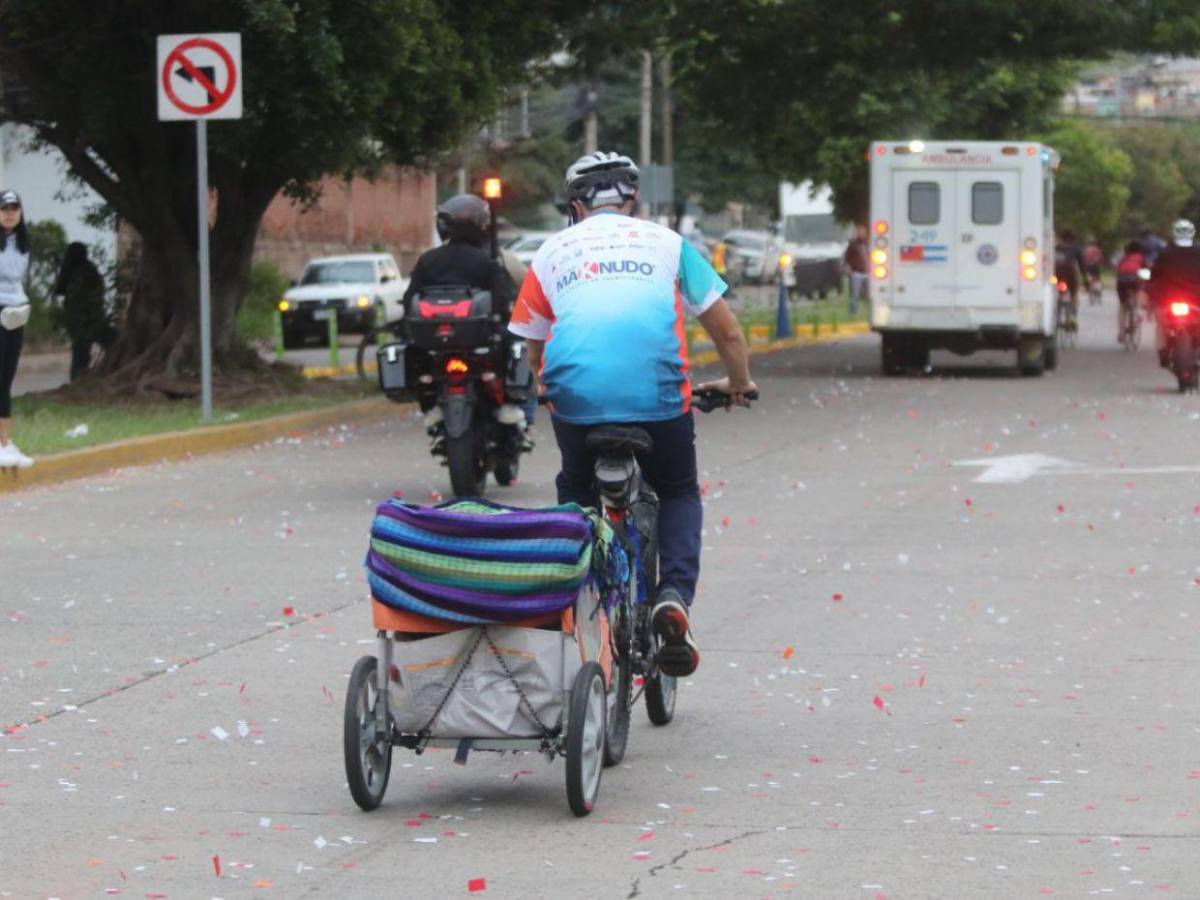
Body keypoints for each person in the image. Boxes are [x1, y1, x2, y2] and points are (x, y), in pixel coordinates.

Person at [508, 150, 757, 678]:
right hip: (659, 398)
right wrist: (738, 383)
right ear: (633, 200)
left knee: (576, 487)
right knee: (678, 490)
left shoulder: (550, 252)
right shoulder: (669, 244)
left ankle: (579, 591)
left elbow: (534, 347)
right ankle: (673, 595)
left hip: (576, 399)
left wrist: (547, 388)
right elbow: (728, 333)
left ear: (575, 206)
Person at [402, 193, 523, 424]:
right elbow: (501, 299)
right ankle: (508, 402)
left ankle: (430, 405)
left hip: (434, 339)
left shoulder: (428, 260)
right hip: (480, 337)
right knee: (514, 342)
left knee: (414, 351)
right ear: (481, 226)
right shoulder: (486, 261)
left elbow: (409, 299)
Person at [0, 189, 33, 469]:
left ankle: (5, 442)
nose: (9, 214)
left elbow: (15, 275)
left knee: (6, 378)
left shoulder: (22, 243)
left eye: (14, 209)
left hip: (16, 312)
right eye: (4, 209)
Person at [52, 242, 110, 381]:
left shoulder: (78, 271)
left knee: (80, 352)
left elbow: (61, 290)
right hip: (86, 319)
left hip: (82, 319)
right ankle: (78, 380)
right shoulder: (86, 269)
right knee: (81, 352)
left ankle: (77, 380)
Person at [1150, 219, 1200, 363]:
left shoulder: (1165, 253)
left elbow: (1154, 275)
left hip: (1169, 298)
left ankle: (1162, 352)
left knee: (1161, 323)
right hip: (1195, 298)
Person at [1115, 240, 1147, 341]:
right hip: (1135, 279)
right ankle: (1137, 313)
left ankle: (1121, 332)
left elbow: (1118, 270)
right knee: (1139, 294)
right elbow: (1145, 273)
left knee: (1122, 305)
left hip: (1122, 280)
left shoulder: (1124, 257)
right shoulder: (1141, 258)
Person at [1054, 229, 1082, 318]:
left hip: (1057, 274)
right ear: (1074, 239)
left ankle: (1057, 311)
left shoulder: (1057, 248)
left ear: (1062, 238)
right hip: (1071, 274)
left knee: (1056, 291)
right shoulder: (1076, 248)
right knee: (1074, 292)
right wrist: (1085, 278)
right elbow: (1082, 265)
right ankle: (1073, 316)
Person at [843, 224, 870, 314]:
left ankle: (868, 310)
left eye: (862, 232)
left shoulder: (868, 244)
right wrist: (848, 268)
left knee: (869, 293)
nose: (861, 234)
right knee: (854, 293)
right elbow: (847, 258)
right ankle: (853, 311)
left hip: (868, 272)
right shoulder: (852, 245)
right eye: (859, 232)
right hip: (856, 272)